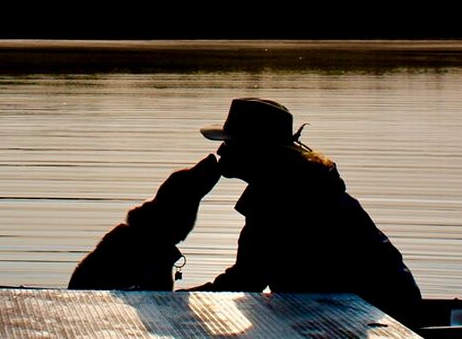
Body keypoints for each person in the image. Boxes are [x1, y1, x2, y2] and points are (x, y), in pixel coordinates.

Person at [192, 97, 422, 322]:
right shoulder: (295, 184)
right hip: (376, 304)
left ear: (257, 150)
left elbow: (247, 279)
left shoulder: (282, 197)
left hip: (377, 312)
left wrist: (182, 300)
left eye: (229, 144)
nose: (220, 152)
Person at [69, 154, 221, 290]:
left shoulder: (140, 242)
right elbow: (158, 302)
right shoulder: (145, 250)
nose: (209, 159)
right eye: (192, 179)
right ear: (182, 208)